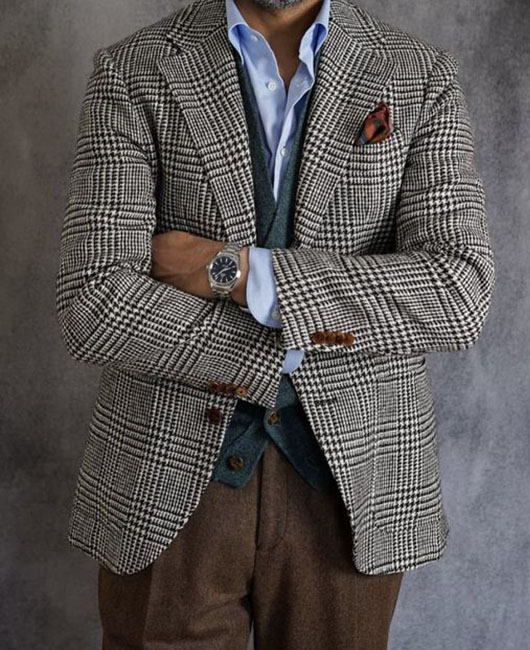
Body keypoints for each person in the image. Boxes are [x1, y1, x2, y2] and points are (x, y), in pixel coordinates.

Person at [55, 0, 495, 647]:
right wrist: (297, 346)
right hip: (164, 480)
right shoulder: (134, 68)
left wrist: (236, 272)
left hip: (354, 485)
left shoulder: (418, 74)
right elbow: (95, 303)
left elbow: (457, 293)